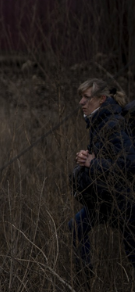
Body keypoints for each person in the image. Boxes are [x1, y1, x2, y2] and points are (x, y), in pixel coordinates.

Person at [68, 79, 135, 283]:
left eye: (87, 98)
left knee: (132, 251)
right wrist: (87, 158)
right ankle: (85, 281)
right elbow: (107, 156)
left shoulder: (113, 124)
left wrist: (93, 163)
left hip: (121, 200)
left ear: (101, 99)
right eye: (82, 97)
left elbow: (128, 164)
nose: (81, 102)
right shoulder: (98, 122)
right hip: (103, 198)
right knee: (76, 227)